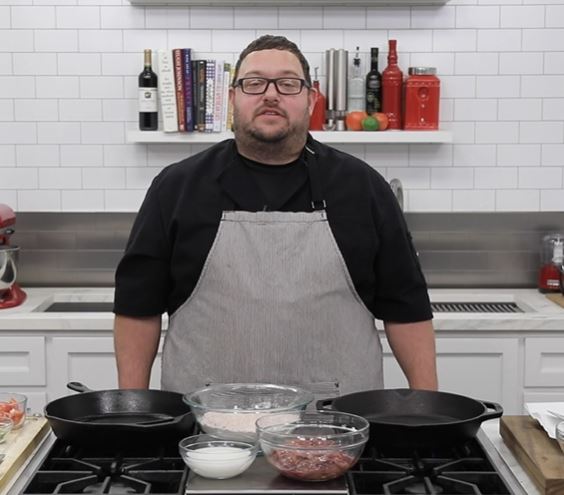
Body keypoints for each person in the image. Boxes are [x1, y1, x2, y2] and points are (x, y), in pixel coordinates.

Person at [113, 35, 438, 396]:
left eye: (288, 83)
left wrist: (427, 407)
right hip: (205, 432)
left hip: (336, 429)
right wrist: (133, 406)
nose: (271, 94)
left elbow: (406, 308)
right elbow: (137, 307)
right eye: (254, 83)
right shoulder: (176, 187)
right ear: (233, 97)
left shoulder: (364, 188)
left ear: (311, 99)